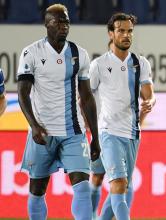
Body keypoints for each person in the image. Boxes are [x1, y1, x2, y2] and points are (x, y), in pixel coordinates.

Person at [17, 4, 100, 220]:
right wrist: (34, 125)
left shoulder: (79, 54)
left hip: (74, 131)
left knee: (82, 187)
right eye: (58, 22)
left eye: (66, 22)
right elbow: (23, 93)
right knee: (37, 190)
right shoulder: (31, 53)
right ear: (46, 24)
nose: (64, 26)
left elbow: (87, 97)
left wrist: (96, 137)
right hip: (42, 133)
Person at [89, 12, 155, 220]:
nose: (126, 35)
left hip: (132, 132)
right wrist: (86, 129)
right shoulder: (98, 65)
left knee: (119, 183)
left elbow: (149, 94)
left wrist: (149, 102)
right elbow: (84, 97)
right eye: (121, 31)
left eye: (129, 31)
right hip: (107, 132)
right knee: (116, 182)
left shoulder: (140, 63)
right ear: (111, 34)